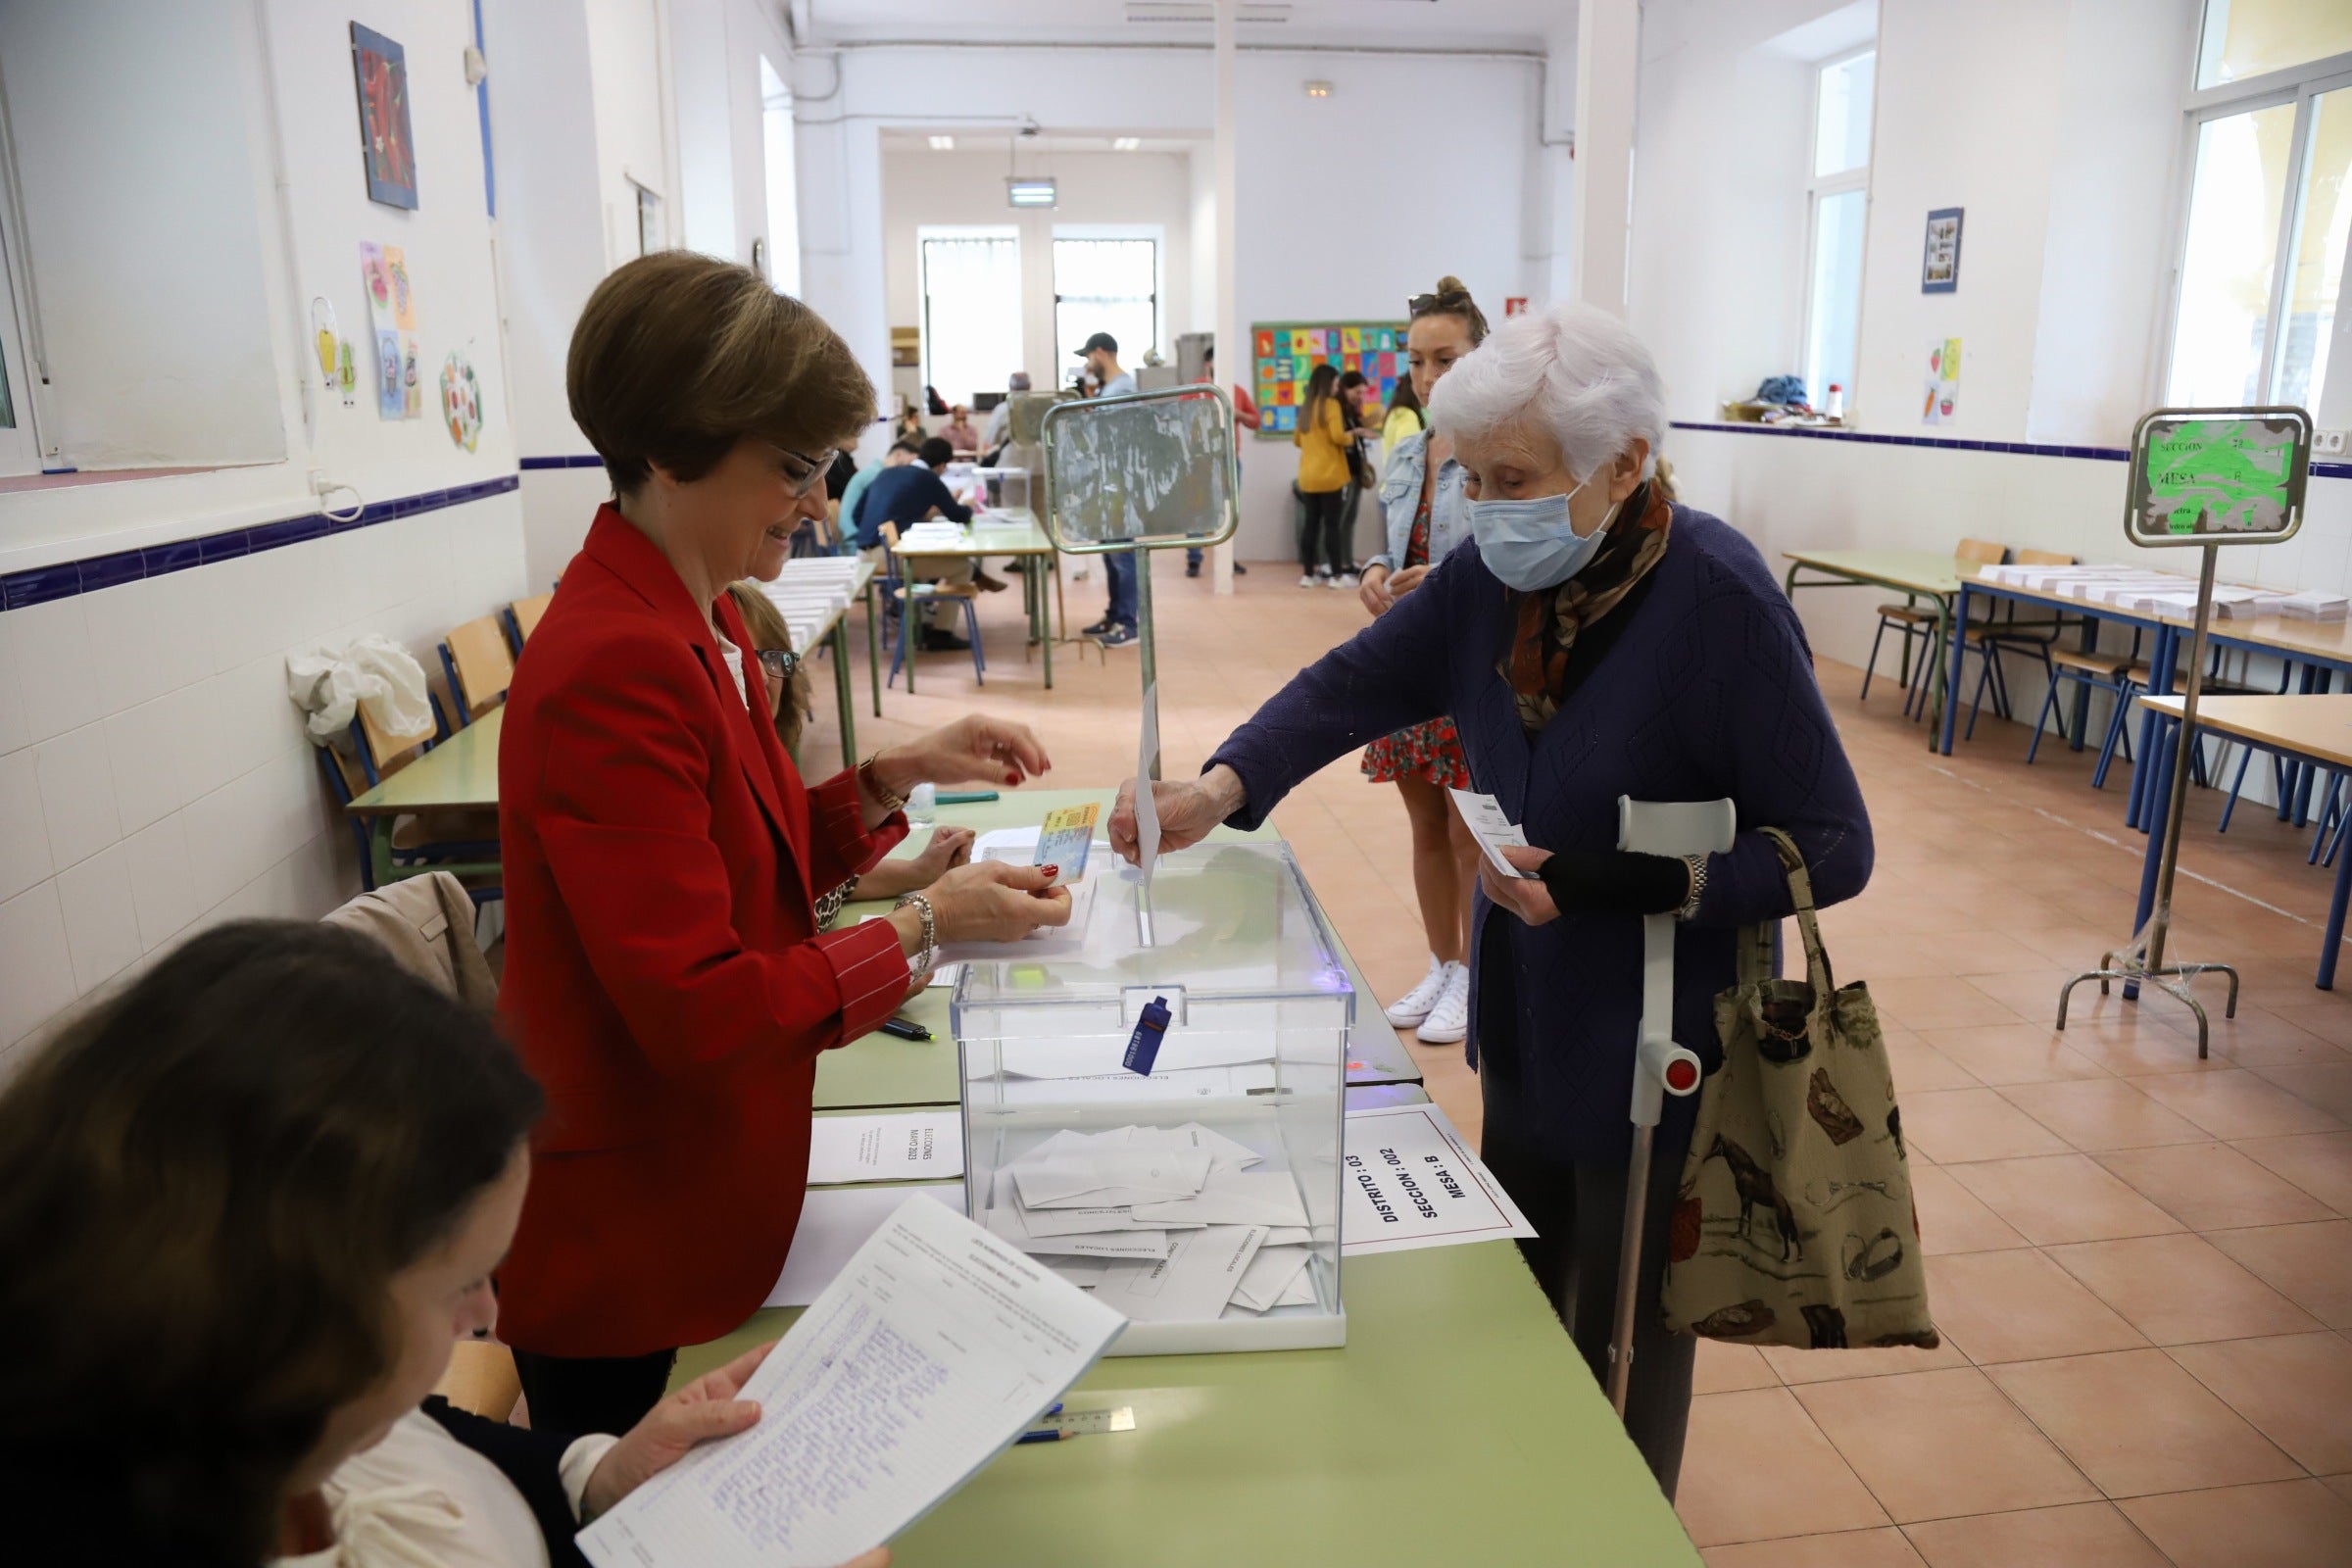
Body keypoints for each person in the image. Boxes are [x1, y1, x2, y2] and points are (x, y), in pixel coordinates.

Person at [1107, 300, 1873, 1494]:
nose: (1483, 505)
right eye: (1470, 476)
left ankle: (1613, 1512)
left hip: (1656, 1036)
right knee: (1524, 1295)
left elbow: (1832, 844)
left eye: (1511, 476)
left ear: (1625, 463)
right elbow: (1351, 682)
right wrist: (1221, 785)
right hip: (1527, 1004)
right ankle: (1520, 1500)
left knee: (1626, 1329)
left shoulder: (1720, 600)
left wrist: (1635, 883)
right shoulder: (1496, 578)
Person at [499, 252, 1073, 1441]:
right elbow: (697, 1009)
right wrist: (921, 932)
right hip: (629, 1232)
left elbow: (722, 859)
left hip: (706, 1181)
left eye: (825, 467)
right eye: (794, 469)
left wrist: (888, 777)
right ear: (670, 449)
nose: (816, 502)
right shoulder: (618, 657)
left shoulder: (695, 611)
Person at [0, 919, 889, 1568]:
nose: (487, 1317)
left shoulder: (245, 1390)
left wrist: (600, 1474)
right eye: (460, 1282)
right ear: (299, 1300)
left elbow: (424, 1436)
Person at [1356, 277, 1488, 1045]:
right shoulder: (1406, 450)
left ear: (1479, 359)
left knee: (1470, 829)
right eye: (1418, 361)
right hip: (1407, 660)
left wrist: (1445, 580)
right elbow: (1389, 540)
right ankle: (1442, 964)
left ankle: (1474, 976)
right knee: (1423, 824)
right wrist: (1374, 572)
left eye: (1447, 359)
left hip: (1469, 663)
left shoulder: (1497, 451)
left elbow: (1511, 559)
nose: (1430, 376)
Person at [726, 581, 977, 932]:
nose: (763, 679)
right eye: (739, 659)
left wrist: (919, 871)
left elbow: (820, 878)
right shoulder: (719, 801)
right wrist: (930, 919)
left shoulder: (766, 772)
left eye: (770, 658)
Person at [855, 435, 1002, 650]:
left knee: (925, 561)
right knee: (963, 567)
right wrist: (969, 505)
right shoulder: (928, 478)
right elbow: (958, 515)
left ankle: (921, 622)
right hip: (887, 557)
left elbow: (858, 515)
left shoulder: (886, 473)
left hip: (864, 553)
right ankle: (941, 633)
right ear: (941, 465)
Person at [1075, 331, 1144, 648]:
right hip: (1108, 483)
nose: (1088, 365)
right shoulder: (1110, 390)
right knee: (1110, 555)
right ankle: (1115, 614)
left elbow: (1119, 436)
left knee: (1122, 556)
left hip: (1121, 484)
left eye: (1088, 358)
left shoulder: (1124, 388)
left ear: (1100, 352)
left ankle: (1128, 623)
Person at [1187, 343, 1257, 579]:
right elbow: (1178, 418)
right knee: (1196, 510)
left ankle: (1227, 557)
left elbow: (1255, 421)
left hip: (1230, 460)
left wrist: (1239, 415)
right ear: (1209, 363)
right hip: (1201, 461)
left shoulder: (1236, 391)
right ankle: (1194, 559)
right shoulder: (1196, 388)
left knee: (1230, 512)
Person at [1292, 363, 1357, 589]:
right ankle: (1337, 577)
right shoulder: (1331, 406)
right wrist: (1353, 436)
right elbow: (1338, 437)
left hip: (1308, 477)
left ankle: (1308, 575)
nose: (1337, 387)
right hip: (1330, 477)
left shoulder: (1306, 407)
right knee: (1332, 527)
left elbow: (1297, 440)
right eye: (1336, 383)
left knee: (1311, 525)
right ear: (1328, 383)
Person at [839, 438, 917, 555]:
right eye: (910, 463)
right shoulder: (878, 476)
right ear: (898, 455)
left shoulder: (873, 472)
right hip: (855, 542)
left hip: (853, 537)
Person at [981, 371, 1030, 460]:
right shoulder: (1041, 408)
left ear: (1010, 387)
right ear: (1030, 387)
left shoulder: (1002, 409)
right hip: (1040, 467)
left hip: (1010, 465)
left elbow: (989, 442)